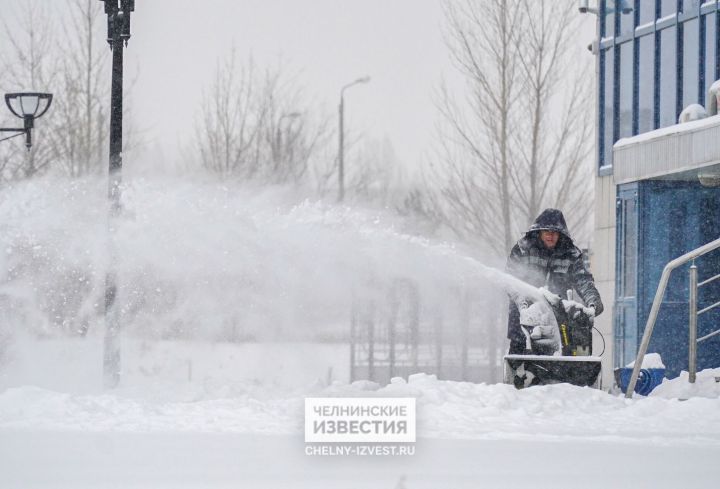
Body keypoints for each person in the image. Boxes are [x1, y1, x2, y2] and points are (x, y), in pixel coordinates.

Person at [506, 208, 603, 355]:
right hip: (525, 320)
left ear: (561, 234)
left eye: (555, 232)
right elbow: (510, 280)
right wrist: (522, 302)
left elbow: (584, 281)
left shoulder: (571, 255)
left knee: (574, 351)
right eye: (547, 231)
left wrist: (593, 304)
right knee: (521, 363)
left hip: (560, 321)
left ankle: (573, 374)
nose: (551, 236)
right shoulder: (522, 250)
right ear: (538, 232)